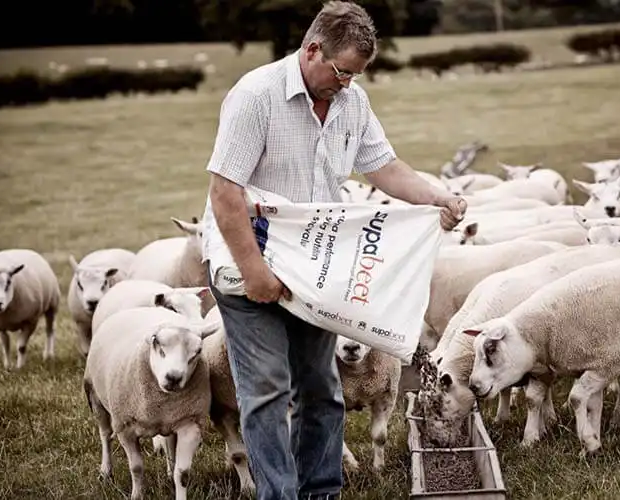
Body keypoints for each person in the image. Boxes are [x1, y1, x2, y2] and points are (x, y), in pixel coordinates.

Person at [200, 2, 466, 499]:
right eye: (341, 71)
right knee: (266, 392)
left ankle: (321, 490)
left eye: (356, 75)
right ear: (312, 49)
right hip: (247, 263)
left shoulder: (352, 100)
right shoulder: (255, 96)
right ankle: (278, 495)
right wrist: (254, 271)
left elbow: (383, 167)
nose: (346, 83)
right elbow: (224, 192)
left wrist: (436, 196)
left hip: (315, 268)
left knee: (322, 389)